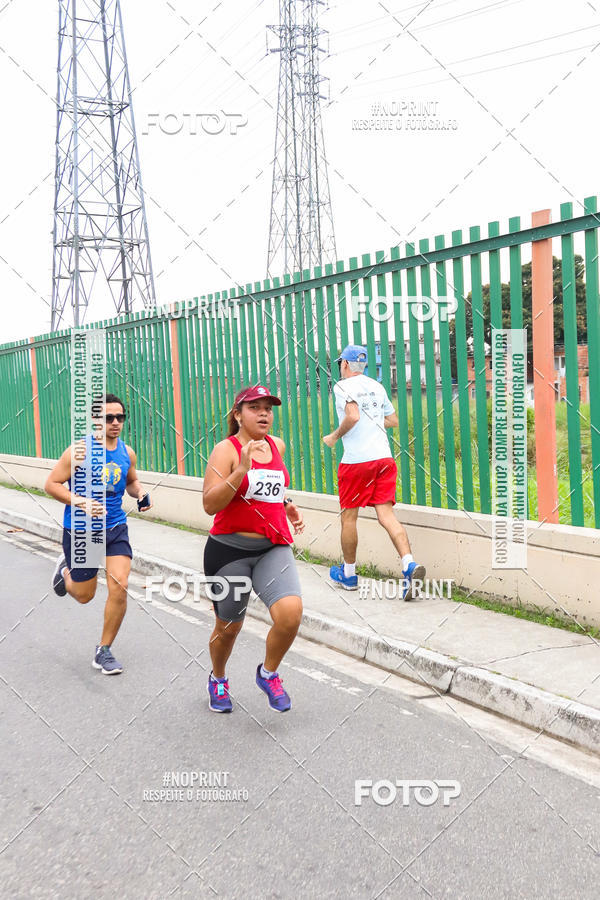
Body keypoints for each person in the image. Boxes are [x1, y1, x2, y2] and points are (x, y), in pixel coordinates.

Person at [202, 385, 304, 713]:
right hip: (229, 551)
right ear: (238, 415)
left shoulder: (277, 445)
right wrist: (241, 469)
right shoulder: (226, 450)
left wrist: (286, 504)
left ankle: (268, 674)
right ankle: (218, 678)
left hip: (272, 547)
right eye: (255, 408)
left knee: (290, 615)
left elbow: (270, 488)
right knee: (229, 628)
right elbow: (209, 504)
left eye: (268, 409)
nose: (264, 414)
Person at [46, 393, 152, 674]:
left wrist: (141, 492)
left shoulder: (127, 452)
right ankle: (65, 571)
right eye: (108, 417)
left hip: (115, 527)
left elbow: (131, 481)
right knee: (84, 596)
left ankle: (103, 650)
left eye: (120, 417)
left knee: (120, 585)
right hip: (82, 531)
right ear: (96, 420)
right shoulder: (79, 451)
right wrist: (81, 502)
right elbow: (52, 484)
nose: (115, 422)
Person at [323, 345, 425, 599]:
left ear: (345, 364)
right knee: (386, 515)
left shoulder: (342, 386)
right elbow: (393, 420)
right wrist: (373, 422)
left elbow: (353, 416)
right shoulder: (377, 387)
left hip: (357, 462)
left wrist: (334, 436)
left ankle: (349, 574)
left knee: (349, 518)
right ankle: (409, 564)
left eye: (340, 364)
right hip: (384, 459)